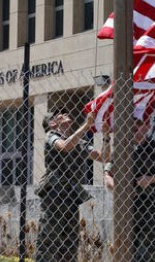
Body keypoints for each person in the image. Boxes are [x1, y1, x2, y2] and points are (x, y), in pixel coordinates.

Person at [35, 109, 111, 262]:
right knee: (49, 240)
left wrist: (106, 136)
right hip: (53, 195)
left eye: (66, 112)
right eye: (60, 115)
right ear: (52, 123)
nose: (65, 114)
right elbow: (64, 146)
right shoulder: (52, 136)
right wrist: (86, 126)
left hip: (71, 196)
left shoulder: (79, 143)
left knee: (70, 243)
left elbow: (104, 157)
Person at [104, 119, 155, 262]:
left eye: (139, 124)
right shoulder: (121, 149)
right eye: (132, 123)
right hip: (126, 208)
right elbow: (107, 176)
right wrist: (121, 190)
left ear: (148, 127)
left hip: (151, 206)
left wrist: (151, 179)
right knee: (125, 250)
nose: (134, 127)